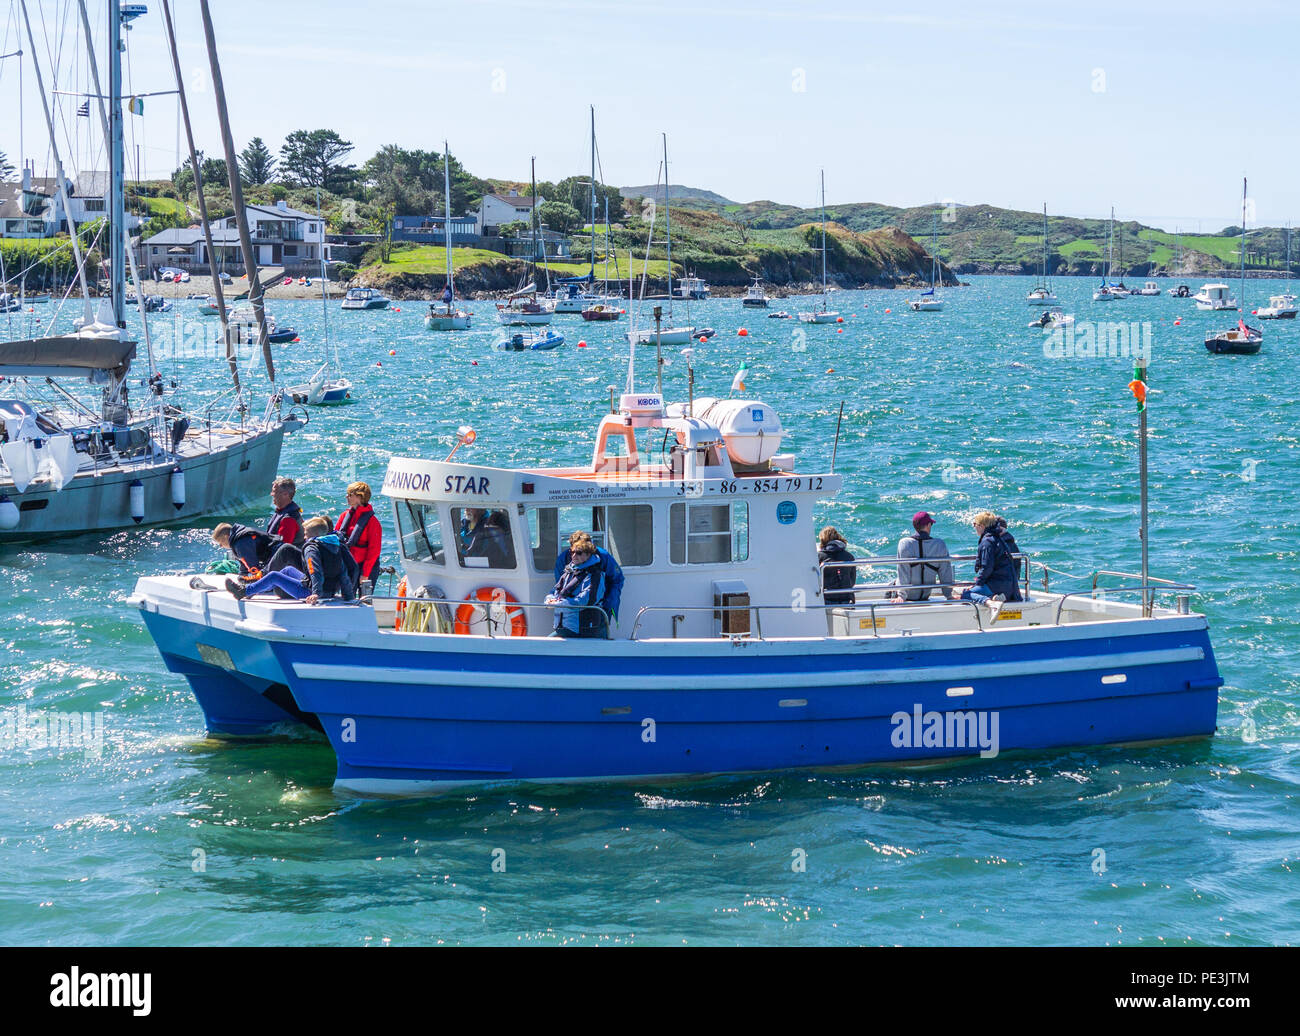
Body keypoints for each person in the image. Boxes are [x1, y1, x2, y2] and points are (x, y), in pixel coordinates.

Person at [225, 516, 359, 603]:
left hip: (311, 592)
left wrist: (316, 594)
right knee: (288, 570)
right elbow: (346, 570)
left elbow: (314, 570)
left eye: (306, 533)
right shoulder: (335, 544)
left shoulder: (312, 548)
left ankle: (243, 592)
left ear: (315, 534)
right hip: (329, 589)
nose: (305, 537)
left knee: (273, 576)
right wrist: (348, 595)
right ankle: (253, 589)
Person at [554, 530, 625, 623]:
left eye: (580, 551)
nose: (575, 555)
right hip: (571, 613)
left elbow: (617, 579)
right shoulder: (563, 559)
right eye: (573, 551)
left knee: (600, 630)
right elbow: (560, 585)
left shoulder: (603, 556)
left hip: (600, 607)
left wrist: (608, 603)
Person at [546, 533, 607, 638]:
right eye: (572, 552)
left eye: (579, 553)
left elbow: (588, 599)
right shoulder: (569, 571)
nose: (574, 555)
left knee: (546, 645)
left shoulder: (594, 575)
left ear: (588, 554)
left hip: (582, 631)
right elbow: (556, 590)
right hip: (565, 628)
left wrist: (564, 603)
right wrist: (550, 598)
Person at [958, 511, 1023, 604]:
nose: (974, 527)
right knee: (975, 591)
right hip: (1010, 586)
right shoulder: (999, 539)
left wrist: (978, 584)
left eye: (975, 524)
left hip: (996, 585)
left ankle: (988, 601)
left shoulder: (987, 542)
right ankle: (993, 597)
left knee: (966, 594)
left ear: (981, 526)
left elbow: (986, 567)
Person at [893, 511, 955, 603]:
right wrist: (949, 595)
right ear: (928, 525)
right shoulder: (939, 545)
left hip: (905, 597)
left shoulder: (904, 543)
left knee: (893, 583)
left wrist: (901, 596)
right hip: (925, 597)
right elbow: (945, 573)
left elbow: (903, 572)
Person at [335, 481, 382, 588]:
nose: (346, 496)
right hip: (349, 564)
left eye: (350, 495)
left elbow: (374, 551)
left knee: (365, 599)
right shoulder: (344, 516)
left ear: (359, 497)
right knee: (346, 597)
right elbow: (335, 536)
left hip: (367, 568)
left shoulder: (373, 522)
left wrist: (365, 574)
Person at [264, 476, 305, 573]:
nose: (271, 494)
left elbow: (282, 549)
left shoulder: (289, 519)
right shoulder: (281, 512)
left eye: (275, 492)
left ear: (285, 494)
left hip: (288, 567)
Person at [211, 522, 281, 576]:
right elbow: (245, 563)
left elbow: (253, 567)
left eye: (220, 542)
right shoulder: (239, 538)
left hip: (279, 556)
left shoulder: (241, 543)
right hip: (278, 553)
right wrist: (242, 576)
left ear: (226, 536)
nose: (220, 546)